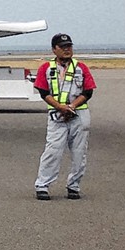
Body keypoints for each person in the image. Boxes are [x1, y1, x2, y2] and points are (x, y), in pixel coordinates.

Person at [33, 33, 95, 200]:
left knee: (79, 153)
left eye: (69, 46)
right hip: (56, 115)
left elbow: (88, 92)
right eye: (63, 47)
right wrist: (60, 107)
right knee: (53, 150)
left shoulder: (81, 67)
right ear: (54, 50)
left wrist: (72, 107)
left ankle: (73, 186)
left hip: (79, 114)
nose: (67, 49)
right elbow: (43, 92)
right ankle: (42, 186)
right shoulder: (45, 68)